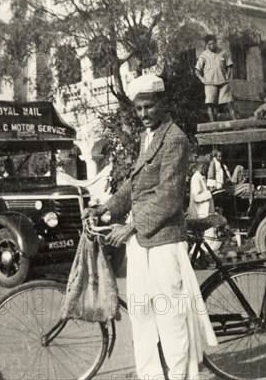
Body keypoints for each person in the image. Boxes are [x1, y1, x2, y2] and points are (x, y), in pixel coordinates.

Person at [84, 74, 217, 379]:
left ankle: (180, 376)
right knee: (142, 316)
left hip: (165, 242)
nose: (143, 114)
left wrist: (129, 227)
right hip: (141, 242)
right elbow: (134, 186)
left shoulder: (175, 139)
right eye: (138, 109)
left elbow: (169, 198)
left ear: (163, 104)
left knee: (171, 318)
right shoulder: (148, 137)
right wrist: (107, 207)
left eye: (149, 107)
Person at [195, 34, 237, 121]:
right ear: (207, 45)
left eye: (213, 43)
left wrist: (228, 76)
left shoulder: (223, 52)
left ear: (216, 43)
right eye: (209, 44)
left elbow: (230, 65)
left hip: (223, 82)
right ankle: (213, 126)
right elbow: (197, 70)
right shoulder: (204, 55)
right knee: (210, 104)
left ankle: (235, 121)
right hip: (209, 83)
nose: (212, 45)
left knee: (229, 102)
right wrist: (202, 79)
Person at [188, 155, 220, 253]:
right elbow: (196, 198)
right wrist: (210, 193)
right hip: (199, 213)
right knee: (207, 237)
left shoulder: (202, 177)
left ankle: (201, 256)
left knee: (206, 237)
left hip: (204, 213)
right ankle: (197, 255)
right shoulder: (196, 178)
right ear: (202, 166)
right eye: (206, 167)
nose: (207, 170)